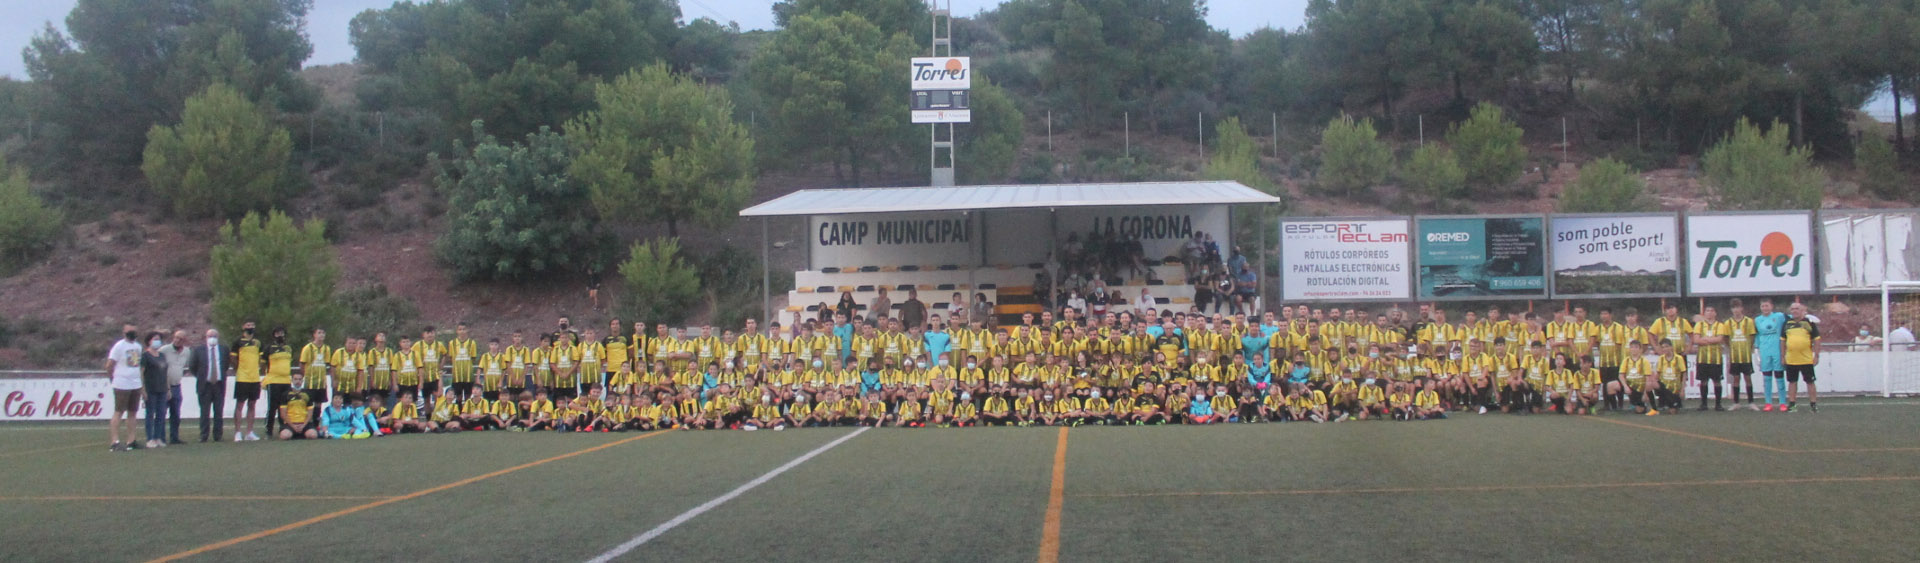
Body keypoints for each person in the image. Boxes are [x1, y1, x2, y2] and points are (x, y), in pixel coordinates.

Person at [185, 328, 231, 443]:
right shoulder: (198, 350)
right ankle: (203, 435)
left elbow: (225, 365)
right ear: (205, 337)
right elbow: (192, 366)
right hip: (204, 385)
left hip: (219, 385)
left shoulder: (224, 349)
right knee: (204, 412)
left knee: (219, 411)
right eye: (210, 336)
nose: (212, 338)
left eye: (215, 336)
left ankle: (218, 435)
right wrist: (202, 377)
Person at [106, 328, 144, 452]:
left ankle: (131, 440)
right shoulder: (119, 346)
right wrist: (113, 378)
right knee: (119, 411)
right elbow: (110, 364)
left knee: (132, 412)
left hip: (135, 383)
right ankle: (115, 441)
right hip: (122, 383)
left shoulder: (138, 346)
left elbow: (137, 365)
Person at [1783, 302, 1821, 412]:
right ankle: (1792, 404)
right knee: (1792, 382)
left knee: (1810, 382)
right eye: (1792, 309)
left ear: (1802, 310)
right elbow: (1782, 340)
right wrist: (1782, 356)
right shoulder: (1787, 323)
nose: (1794, 311)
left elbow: (1817, 340)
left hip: (1806, 359)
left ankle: (1813, 405)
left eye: (1797, 309)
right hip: (1791, 359)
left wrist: (1817, 355)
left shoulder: (1809, 323)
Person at [1753, 299, 1788, 411]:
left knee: (1779, 376)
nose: (1765, 308)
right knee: (1767, 377)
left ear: (1771, 306)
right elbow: (1757, 335)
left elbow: (1791, 318)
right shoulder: (1758, 320)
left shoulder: (1779, 316)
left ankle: (1782, 402)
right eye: (1763, 306)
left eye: (1767, 306)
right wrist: (1757, 350)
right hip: (1764, 350)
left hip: (1777, 350)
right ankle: (1768, 403)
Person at [158, 330, 190, 444]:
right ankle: (160, 437)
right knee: (161, 412)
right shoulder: (164, 350)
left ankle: (174, 437)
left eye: (180, 339)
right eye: (176, 337)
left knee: (176, 413)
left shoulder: (186, 352)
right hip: (163, 386)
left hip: (177, 385)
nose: (177, 340)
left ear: (184, 340)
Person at [140, 332, 171, 449]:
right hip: (151, 388)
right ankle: (150, 438)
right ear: (149, 341)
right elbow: (141, 373)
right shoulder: (145, 356)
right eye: (155, 339)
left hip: (162, 388)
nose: (157, 341)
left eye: (159, 339)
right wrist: (143, 390)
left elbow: (166, 373)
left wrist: (168, 389)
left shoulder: (162, 355)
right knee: (150, 414)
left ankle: (158, 438)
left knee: (161, 414)